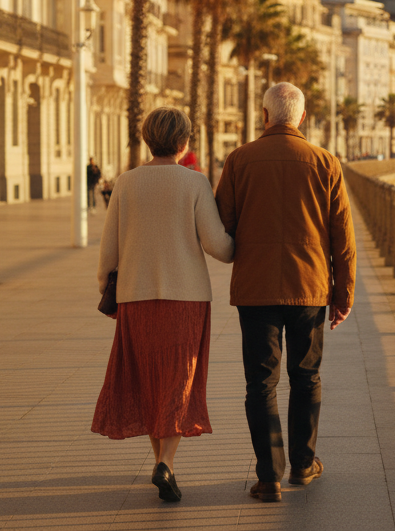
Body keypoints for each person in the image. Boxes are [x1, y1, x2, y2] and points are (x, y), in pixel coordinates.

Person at [215, 82, 356, 503]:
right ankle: (302, 464)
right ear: (302, 118)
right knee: (306, 376)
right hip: (310, 287)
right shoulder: (325, 162)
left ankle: (268, 476)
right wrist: (343, 293)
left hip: (255, 287)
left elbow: (224, 222)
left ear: (264, 116)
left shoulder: (239, 160)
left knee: (261, 382)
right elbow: (342, 237)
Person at [91, 107, 234, 503]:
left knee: (150, 378)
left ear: (146, 139)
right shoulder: (195, 183)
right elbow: (217, 246)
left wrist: (107, 289)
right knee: (177, 380)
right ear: (184, 142)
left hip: (135, 297)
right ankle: (166, 464)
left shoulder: (125, 183)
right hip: (186, 299)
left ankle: (162, 462)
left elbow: (108, 250)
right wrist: (241, 244)